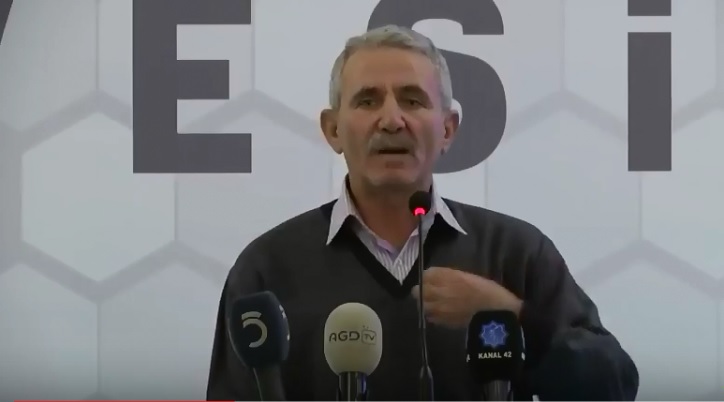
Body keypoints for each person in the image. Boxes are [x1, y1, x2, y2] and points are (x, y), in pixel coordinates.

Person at [206, 25, 639, 401]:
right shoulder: (268, 268)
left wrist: (515, 316)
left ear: (447, 129)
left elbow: (613, 386)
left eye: (412, 100)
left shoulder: (515, 252)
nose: (391, 120)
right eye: (367, 101)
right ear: (333, 129)